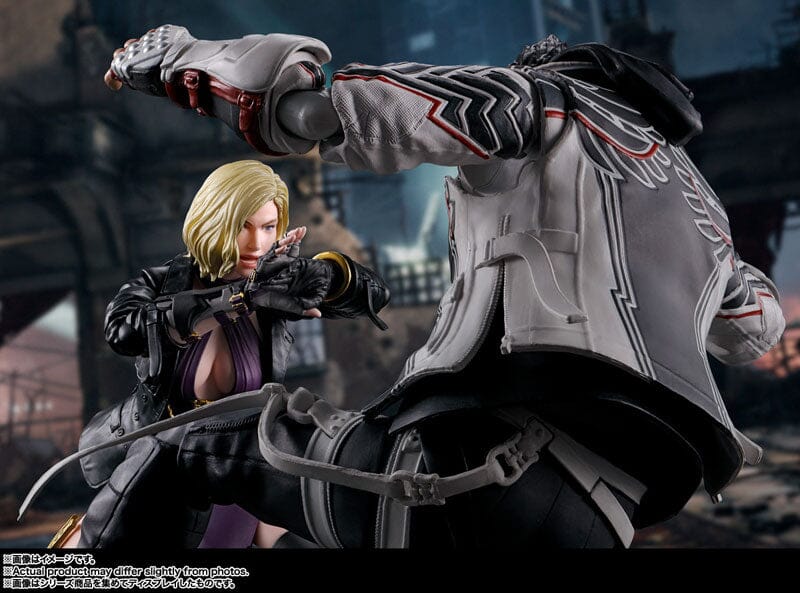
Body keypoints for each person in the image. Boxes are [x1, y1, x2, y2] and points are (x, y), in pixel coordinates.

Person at [60, 26, 785, 548]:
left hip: (471, 477)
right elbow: (755, 328)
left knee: (189, 447)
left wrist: (184, 62)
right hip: (603, 517)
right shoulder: (703, 209)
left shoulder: (544, 100)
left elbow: (323, 111)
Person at [48, 159, 389, 548]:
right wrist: (237, 301)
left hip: (232, 479)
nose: (256, 243)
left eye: (268, 227)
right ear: (214, 219)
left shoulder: (272, 286)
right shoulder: (160, 283)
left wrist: (327, 275)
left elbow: (375, 294)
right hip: (155, 477)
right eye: (243, 225)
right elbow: (123, 332)